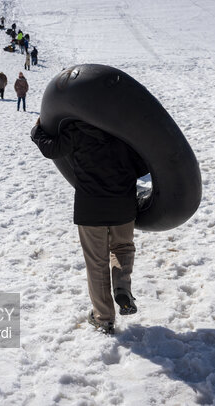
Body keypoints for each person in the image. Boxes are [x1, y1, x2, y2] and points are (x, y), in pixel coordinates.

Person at [29, 119, 148, 334]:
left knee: (97, 263)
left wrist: (37, 131)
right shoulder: (127, 128)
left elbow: (51, 149)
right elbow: (143, 164)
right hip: (123, 204)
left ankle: (104, 318)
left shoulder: (77, 130)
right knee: (122, 248)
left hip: (90, 207)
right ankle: (122, 287)